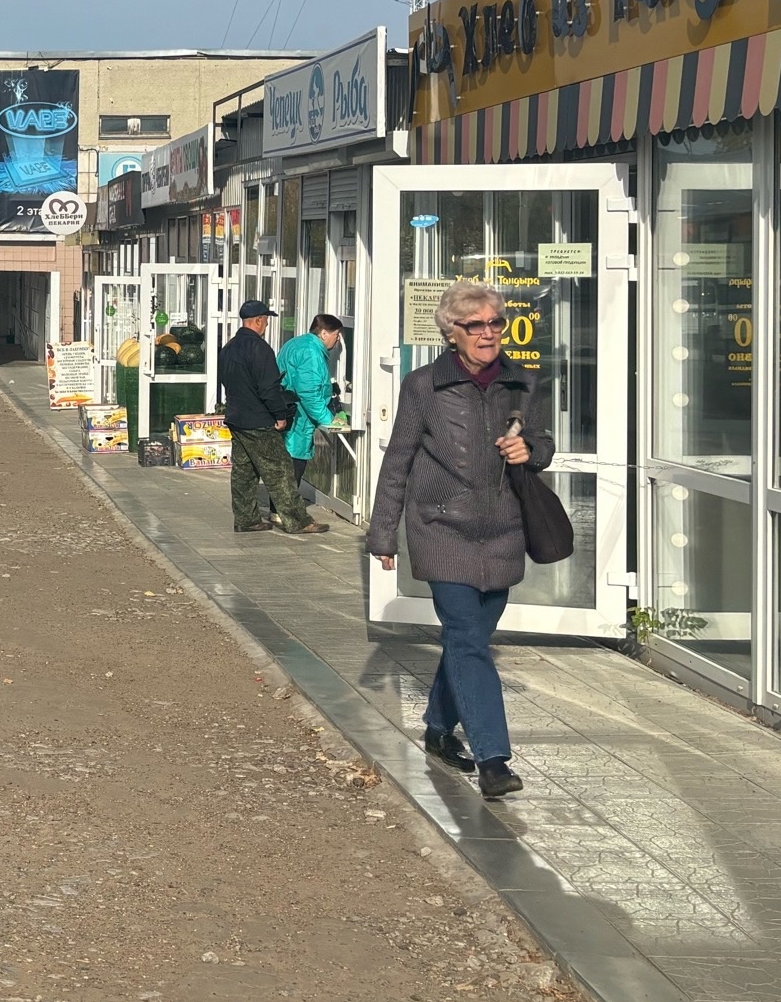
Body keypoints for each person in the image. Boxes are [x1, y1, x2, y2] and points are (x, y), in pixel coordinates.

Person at [363, 279, 551, 801]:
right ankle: (493, 760)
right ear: (453, 332)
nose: (489, 333)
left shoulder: (523, 380)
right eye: (477, 325)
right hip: (442, 530)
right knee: (468, 639)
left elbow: (544, 441)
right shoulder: (424, 385)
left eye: (496, 322)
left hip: (503, 531)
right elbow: (398, 460)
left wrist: (528, 450)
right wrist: (384, 534)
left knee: (468, 640)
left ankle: (438, 728)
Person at [217, 298, 319, 536]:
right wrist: (280, 415)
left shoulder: (229, 347)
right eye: (265, 320)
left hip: (236, 418)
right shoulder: (260, 349)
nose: (266, 326)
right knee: (280, 471)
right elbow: (269, 388)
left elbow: (227, 382)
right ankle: (297, 521)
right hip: (259, 421)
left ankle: (246, 519)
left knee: (244, 472)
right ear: (258, 321)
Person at [279, 313, 345, 493]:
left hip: (288, 413)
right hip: (298, 419)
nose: (337, 340)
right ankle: (285, 514)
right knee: (293, 467)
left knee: (285, 468)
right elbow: (308, 394)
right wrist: (329, 420)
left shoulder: (296, 343)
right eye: (336, 334)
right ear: (324, 333)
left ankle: (278, 512)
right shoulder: (311, 352)